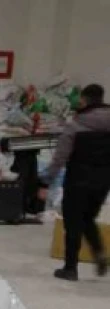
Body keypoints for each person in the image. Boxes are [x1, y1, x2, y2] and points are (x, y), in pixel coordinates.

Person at [39, 83, 110, 281]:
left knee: (73, 223)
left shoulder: (76, 125)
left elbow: (60, 157)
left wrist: (46, 181)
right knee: (88, 219)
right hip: (103, 182)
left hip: (77, 180)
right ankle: (99, 253)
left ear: (85, 100)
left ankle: (70, 268)